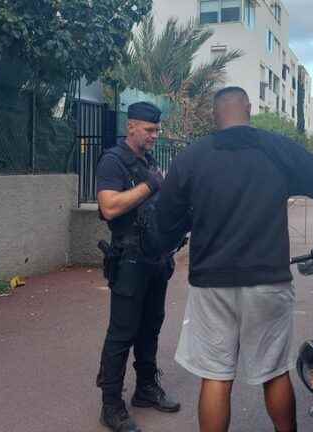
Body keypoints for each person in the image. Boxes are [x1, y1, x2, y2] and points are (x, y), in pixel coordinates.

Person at [155, 87, 313, 432]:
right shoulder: (276, 149)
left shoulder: (193, 156)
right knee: (273, 371)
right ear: (249, 108)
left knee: (215, 376)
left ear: (215, 115)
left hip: (211, 282)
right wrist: (288, 182)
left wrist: (185, 226)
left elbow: (164, 222)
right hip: (268, 279)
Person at [94, 102, 180, 432]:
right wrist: (149, 186)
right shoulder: (113, 161)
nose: (155, 136)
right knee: (122, 332)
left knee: (151, 326)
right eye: (149, 130)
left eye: (156, 130)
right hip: (129, 259)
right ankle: (111, 405)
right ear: (131, 127)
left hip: (156, 258)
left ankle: (146, 388)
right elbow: (109, 206)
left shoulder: (148, 160)